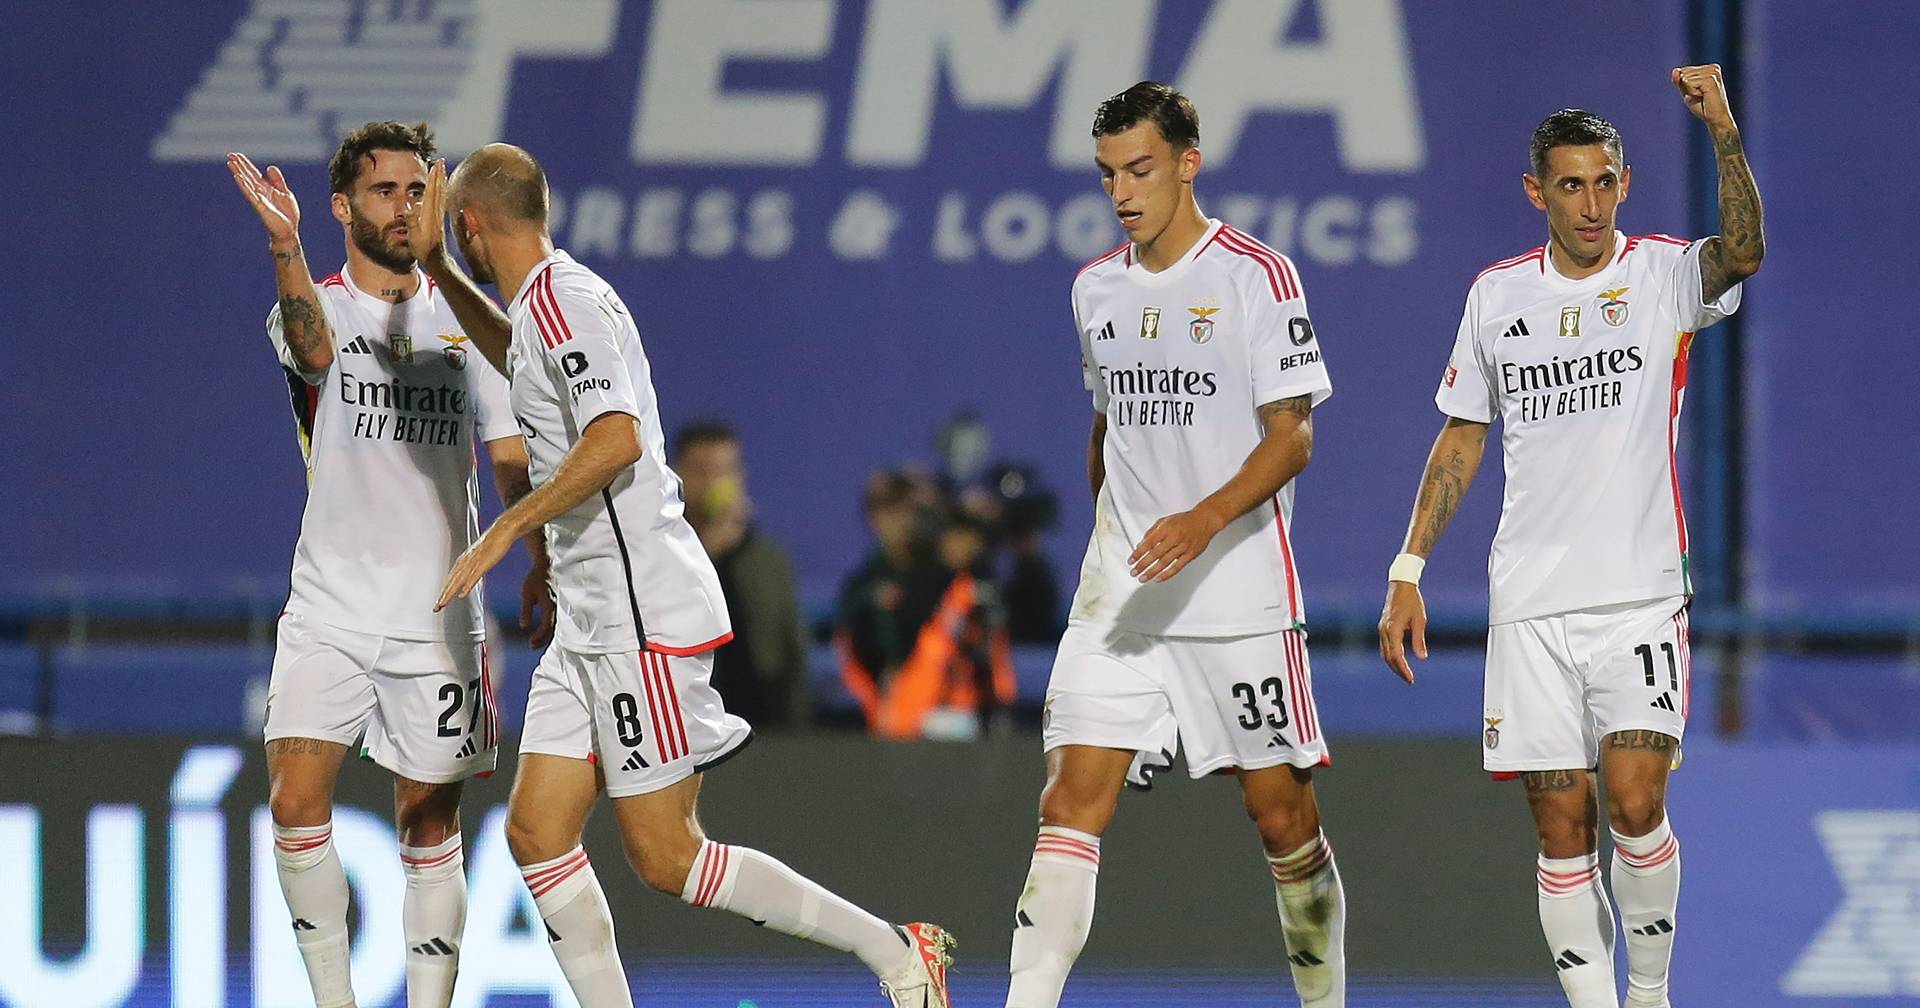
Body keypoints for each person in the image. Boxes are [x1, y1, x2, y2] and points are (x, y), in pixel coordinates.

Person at [409, 143, 955, 1008]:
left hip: (638, 617)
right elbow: (526, 361)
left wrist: (511, 528)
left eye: (452, 236)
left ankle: (894, 952)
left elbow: (616, 436)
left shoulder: (569, 302)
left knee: (668, 857)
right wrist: (438, 269)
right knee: (537, 833)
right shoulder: (545, 308)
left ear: (473, 223)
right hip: (588, 614)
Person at [1376, 66, 1763, 1008]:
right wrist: (1408, 566)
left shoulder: (1664, 275)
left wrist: (1721, 133)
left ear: (1625, 182)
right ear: (1535, 192)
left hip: (1637, 593)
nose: (1589, 205)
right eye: (1569, 185)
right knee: (1560, 825)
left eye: (1604, 182)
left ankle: (1652, 994)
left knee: (1635, 804)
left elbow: (1744, 254)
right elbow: (1463, 434)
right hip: (1532, 605)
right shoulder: (1498, 298)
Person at [1003, 82, 1343, 1008]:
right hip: (1123, 597)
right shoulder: (1094, 288)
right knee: (1070, 802)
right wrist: (1121, 537)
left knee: (1281, 817)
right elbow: (1106, 426)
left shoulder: (1254, 276)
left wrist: (1201, 519)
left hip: (1235, 593)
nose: (1122, 191)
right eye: (1108, 173)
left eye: (1140, 169)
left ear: (1189, 163)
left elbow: (1293, 435)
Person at [227, 121, 551, 1008]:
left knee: (430, 822)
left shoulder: (468, 323)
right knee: (295, 805)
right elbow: (314, 353)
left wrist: (538, 562)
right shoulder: (318, 303)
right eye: (383, 192)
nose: (405, 209)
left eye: (417, 191)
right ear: (343, 208)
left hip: (439, 613)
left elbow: (510, 453)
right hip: (329, 605)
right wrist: (284, 245)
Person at [673, 421, 810, 727]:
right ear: (678, 474)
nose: (717, 482)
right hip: (687, 718)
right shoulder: (660, 550)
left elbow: (790, 649)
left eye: (728, 470)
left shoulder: (768, 557)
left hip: (765, 726)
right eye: (704, 470)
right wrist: (709, 552)